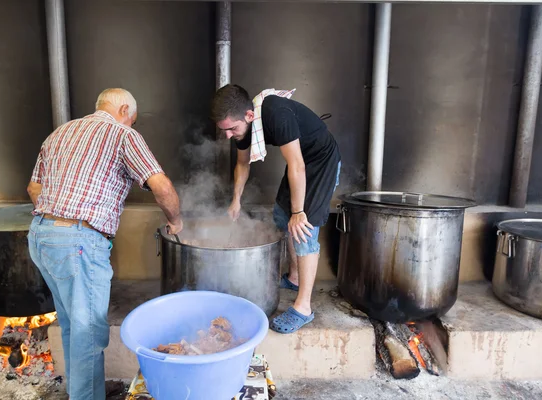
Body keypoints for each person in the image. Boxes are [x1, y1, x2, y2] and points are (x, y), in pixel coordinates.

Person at [26, 88, 182, 400]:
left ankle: (88, 390)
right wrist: (176, 221)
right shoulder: (122, 134)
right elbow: (161, 185)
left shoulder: (60, 132)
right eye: (133, 121)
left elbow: (33, 188)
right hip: (79, 244)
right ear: (125, 110)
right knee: (87, 334)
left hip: (41, 236)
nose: (132, 126)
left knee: (72, 327)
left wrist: (60, 218)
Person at [211, 84, 341, 334]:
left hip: (320, 162)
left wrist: (299, 211)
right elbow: (242, 164)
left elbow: (297, 166)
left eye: (231, 129)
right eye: (224, 130)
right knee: (282, 216)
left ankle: (303, 307)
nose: (228, 136)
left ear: (249, 116)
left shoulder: (276, 114)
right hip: (301, 163)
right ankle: (293, 277)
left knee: (304, 230)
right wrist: (235, 200)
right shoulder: (243, 129)